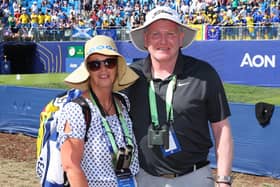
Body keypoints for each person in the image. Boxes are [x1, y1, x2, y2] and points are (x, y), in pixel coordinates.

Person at [126, 6, 233, 187]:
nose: (163, 41)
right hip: (144, 178)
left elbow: (221, 128)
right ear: (145, 39)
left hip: (194, 177)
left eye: (170, 34)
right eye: (155, 34)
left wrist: (224, 180)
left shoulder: (203, 74)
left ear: (181, 38)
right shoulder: (130, 77)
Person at [57, 35, 140, 187]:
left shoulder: (123, 102)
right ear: (88, 70)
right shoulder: (77, 110)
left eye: (109, 62)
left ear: (117, 67)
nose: (103, 69)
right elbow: (71, 166)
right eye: (95, 65)